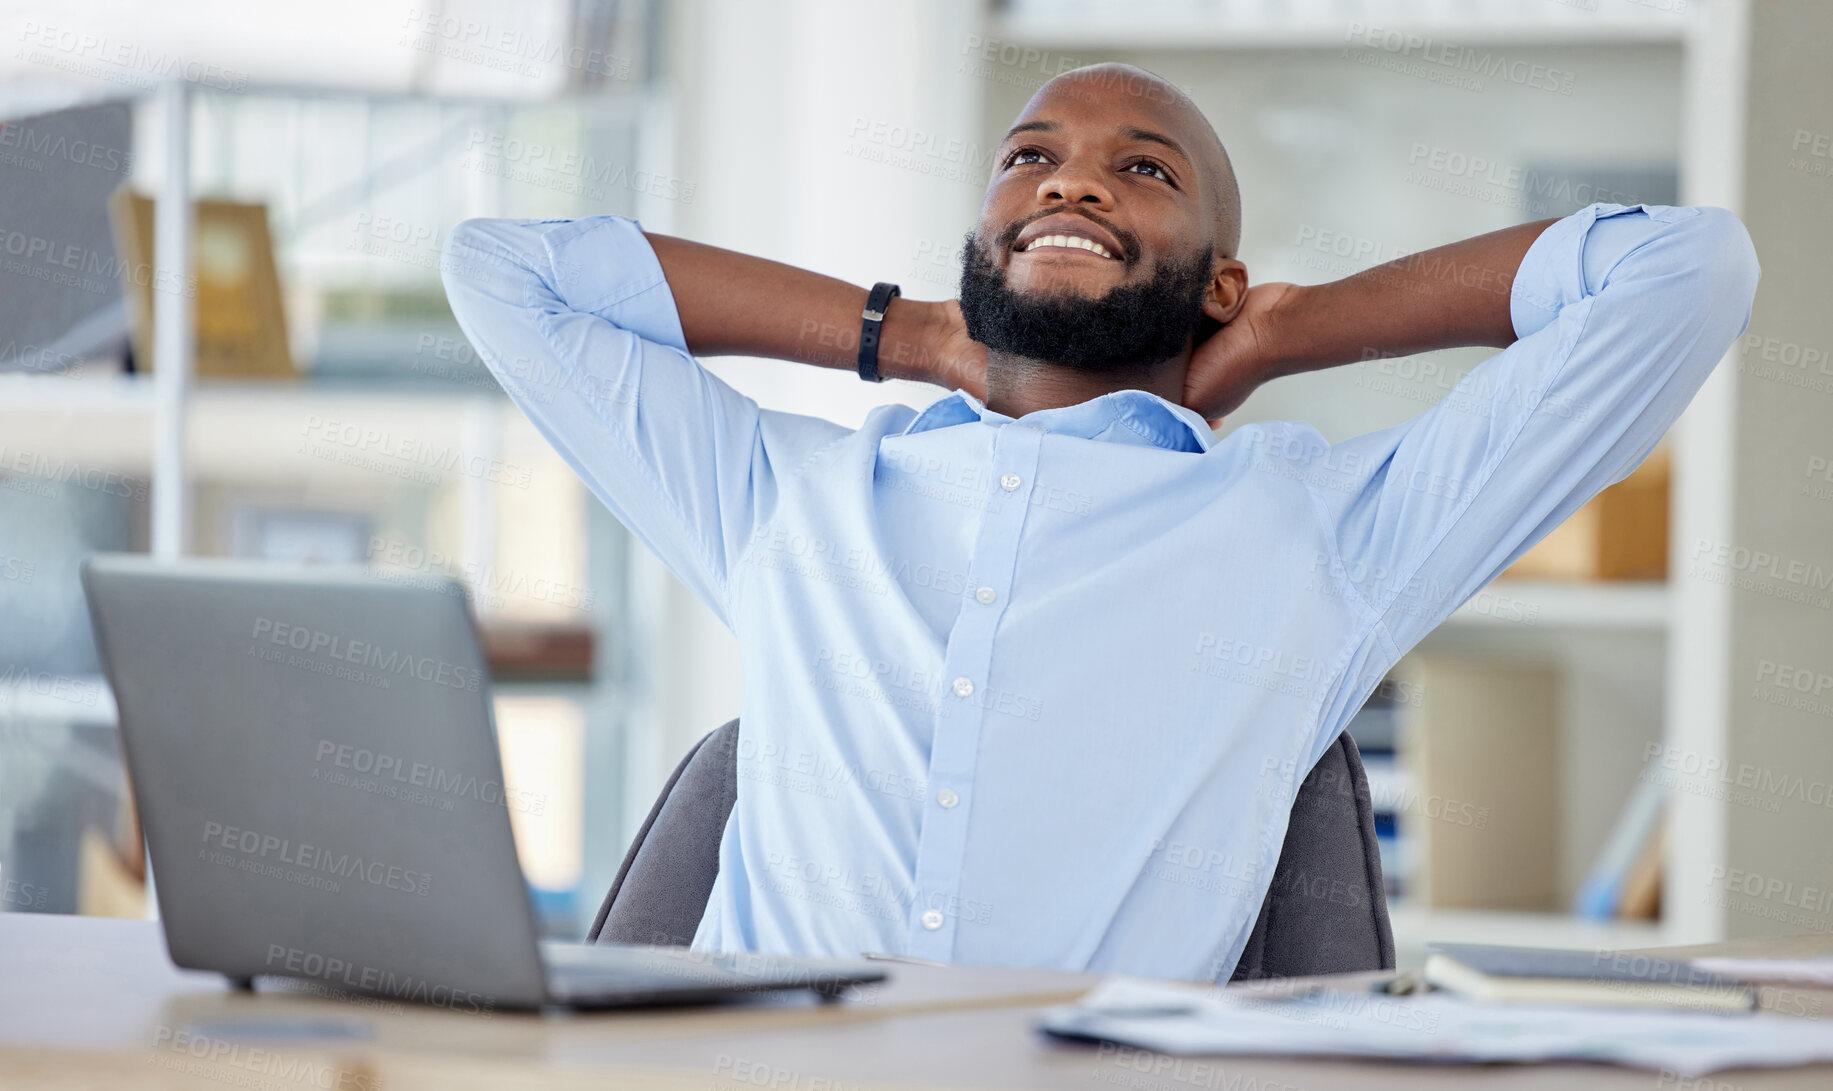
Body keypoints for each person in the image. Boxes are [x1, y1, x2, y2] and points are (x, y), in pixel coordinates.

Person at [441, 63, 1760, 983]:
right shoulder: (782, 495)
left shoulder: (1321, 532)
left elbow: (1682, 268)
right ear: (978, 234)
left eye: (1141, 171)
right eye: (1031, 161)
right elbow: (503, 270)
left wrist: (1284, 333)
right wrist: (904, 336)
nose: (1072, 187)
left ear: (1219, 276)